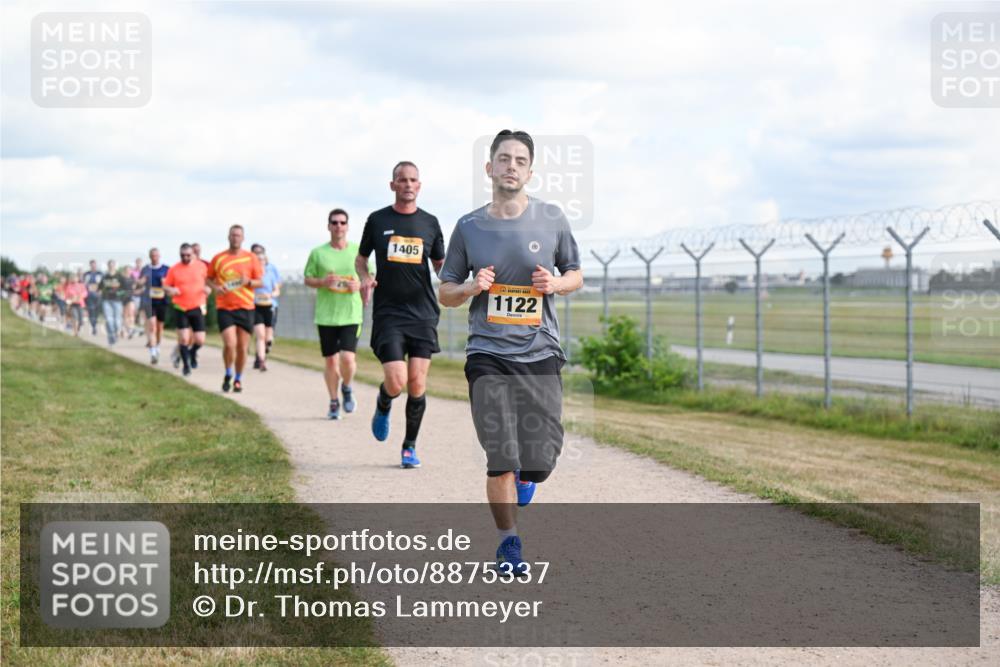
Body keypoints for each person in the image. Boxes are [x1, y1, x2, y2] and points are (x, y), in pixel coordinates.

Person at [439, 129, 583, 574]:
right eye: (504, 159)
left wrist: (555, 283)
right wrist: (469, 287)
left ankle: (527, 478)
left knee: (540, 459)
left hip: (540, 350)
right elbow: (444, 292)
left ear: (530, 170)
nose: (511, 166)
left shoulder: (552, 218)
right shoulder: (467, 226)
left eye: (520, 160)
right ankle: (508, 543)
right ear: (489, 168)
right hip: (487, 353)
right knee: (501, 452)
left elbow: (575, 273)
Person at [304, 209, 364, 419]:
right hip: (326, 315)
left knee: (347, 358)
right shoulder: (318, 253)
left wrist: (360, 283)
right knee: (331, 361)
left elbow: (370, 276)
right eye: (334, 222)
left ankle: (347, 387)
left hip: (351, 314)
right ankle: (333, 401)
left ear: (347, 226)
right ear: (328, 226)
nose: (338, 226)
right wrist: (323, 282)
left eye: (342, 222)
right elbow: (308, 278)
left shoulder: (358, 251)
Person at [207, 225, 263, 393]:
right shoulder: (218, 258)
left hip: (246, 307)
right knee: (230, 344)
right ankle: (228, 372)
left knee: (242, 347)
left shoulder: (251, 258)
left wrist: (249, 282)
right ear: (228, 237)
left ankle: (238, 378)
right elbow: (208, 278)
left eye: (238, 235)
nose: (235, 238)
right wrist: (216, 288)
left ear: (243, 238)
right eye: (233, 235)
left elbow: (260, 281)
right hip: (225, 306)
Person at [163, 243, 209, 376]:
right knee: (184, 338)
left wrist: (209, 289)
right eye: (183, 255)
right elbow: (165, 286)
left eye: (188, 255)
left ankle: (192, 352)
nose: (185, 258)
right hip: (180, 307)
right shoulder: (174, 269)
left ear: (192, 254)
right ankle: (186, 365)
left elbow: (210, 282)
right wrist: (171, 290)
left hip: (198, 306)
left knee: (200, 339)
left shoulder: (201, 267)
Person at [251, 246, 281, 372]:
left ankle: (266, 348)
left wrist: (271, 295)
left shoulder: (270, 272)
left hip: (269, 306)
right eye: (257, 259)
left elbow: (277, 289)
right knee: (260, 336)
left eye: (262, 259)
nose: (260, 261)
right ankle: (261, 361)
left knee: (268, 338)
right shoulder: (251, 273)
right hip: (256, 306)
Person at [137, 248, 170, 363]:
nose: (154, 257)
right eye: (152, 256)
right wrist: (141, 281)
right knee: (152, 326)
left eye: (156, 255)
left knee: (160, 328)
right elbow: (139, 283)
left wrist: (165, 282)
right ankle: (153, 352)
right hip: (149, 301)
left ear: (159, 256)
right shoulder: (145, 269)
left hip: (161, 301)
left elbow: (170, 284)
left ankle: (157, 345)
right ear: (149, 256)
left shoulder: (166, 269)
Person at [97, 260, 129, 345]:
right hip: (106, 300)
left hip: (117, 301)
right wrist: (99, 292)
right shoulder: (105, 277)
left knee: (117, 321)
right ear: (108, 266)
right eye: (109, 265)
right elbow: (99, 288)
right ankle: (111, 338)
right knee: (108, 319)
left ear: (115, 266)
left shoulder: (120, 277)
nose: (111, 267)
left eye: (112, 265)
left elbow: (125, 289)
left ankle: (116, 333)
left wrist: (118, 294)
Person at [81, 260, 103, 335]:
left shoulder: (100, 274)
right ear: (90, 265)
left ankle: (95, 322)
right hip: (89, 295)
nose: (93, 266)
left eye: (94, 265)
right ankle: (93, 326)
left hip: (98, 295)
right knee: (91, 310)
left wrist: (100, 290)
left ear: (96, 265)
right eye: (92, 265)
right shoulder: (86, 274)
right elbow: (83, 284)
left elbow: (103, 284)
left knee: (96, 311)